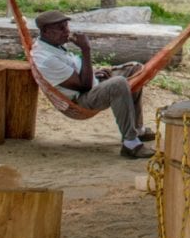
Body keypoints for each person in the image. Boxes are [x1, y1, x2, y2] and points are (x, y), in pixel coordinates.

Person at [31, 10, 156, 159]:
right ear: (46, 31)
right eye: (61, 28)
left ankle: (137, 129)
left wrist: (94, 72)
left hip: (88, 83)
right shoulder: (46, 59)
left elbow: (74, 70)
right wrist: (86, 49)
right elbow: (83, 87)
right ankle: (131, 144)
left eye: (67, 26)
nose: (67, 31)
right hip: (82, 99)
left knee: (135, 70)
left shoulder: (52, 44)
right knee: (119, 83)